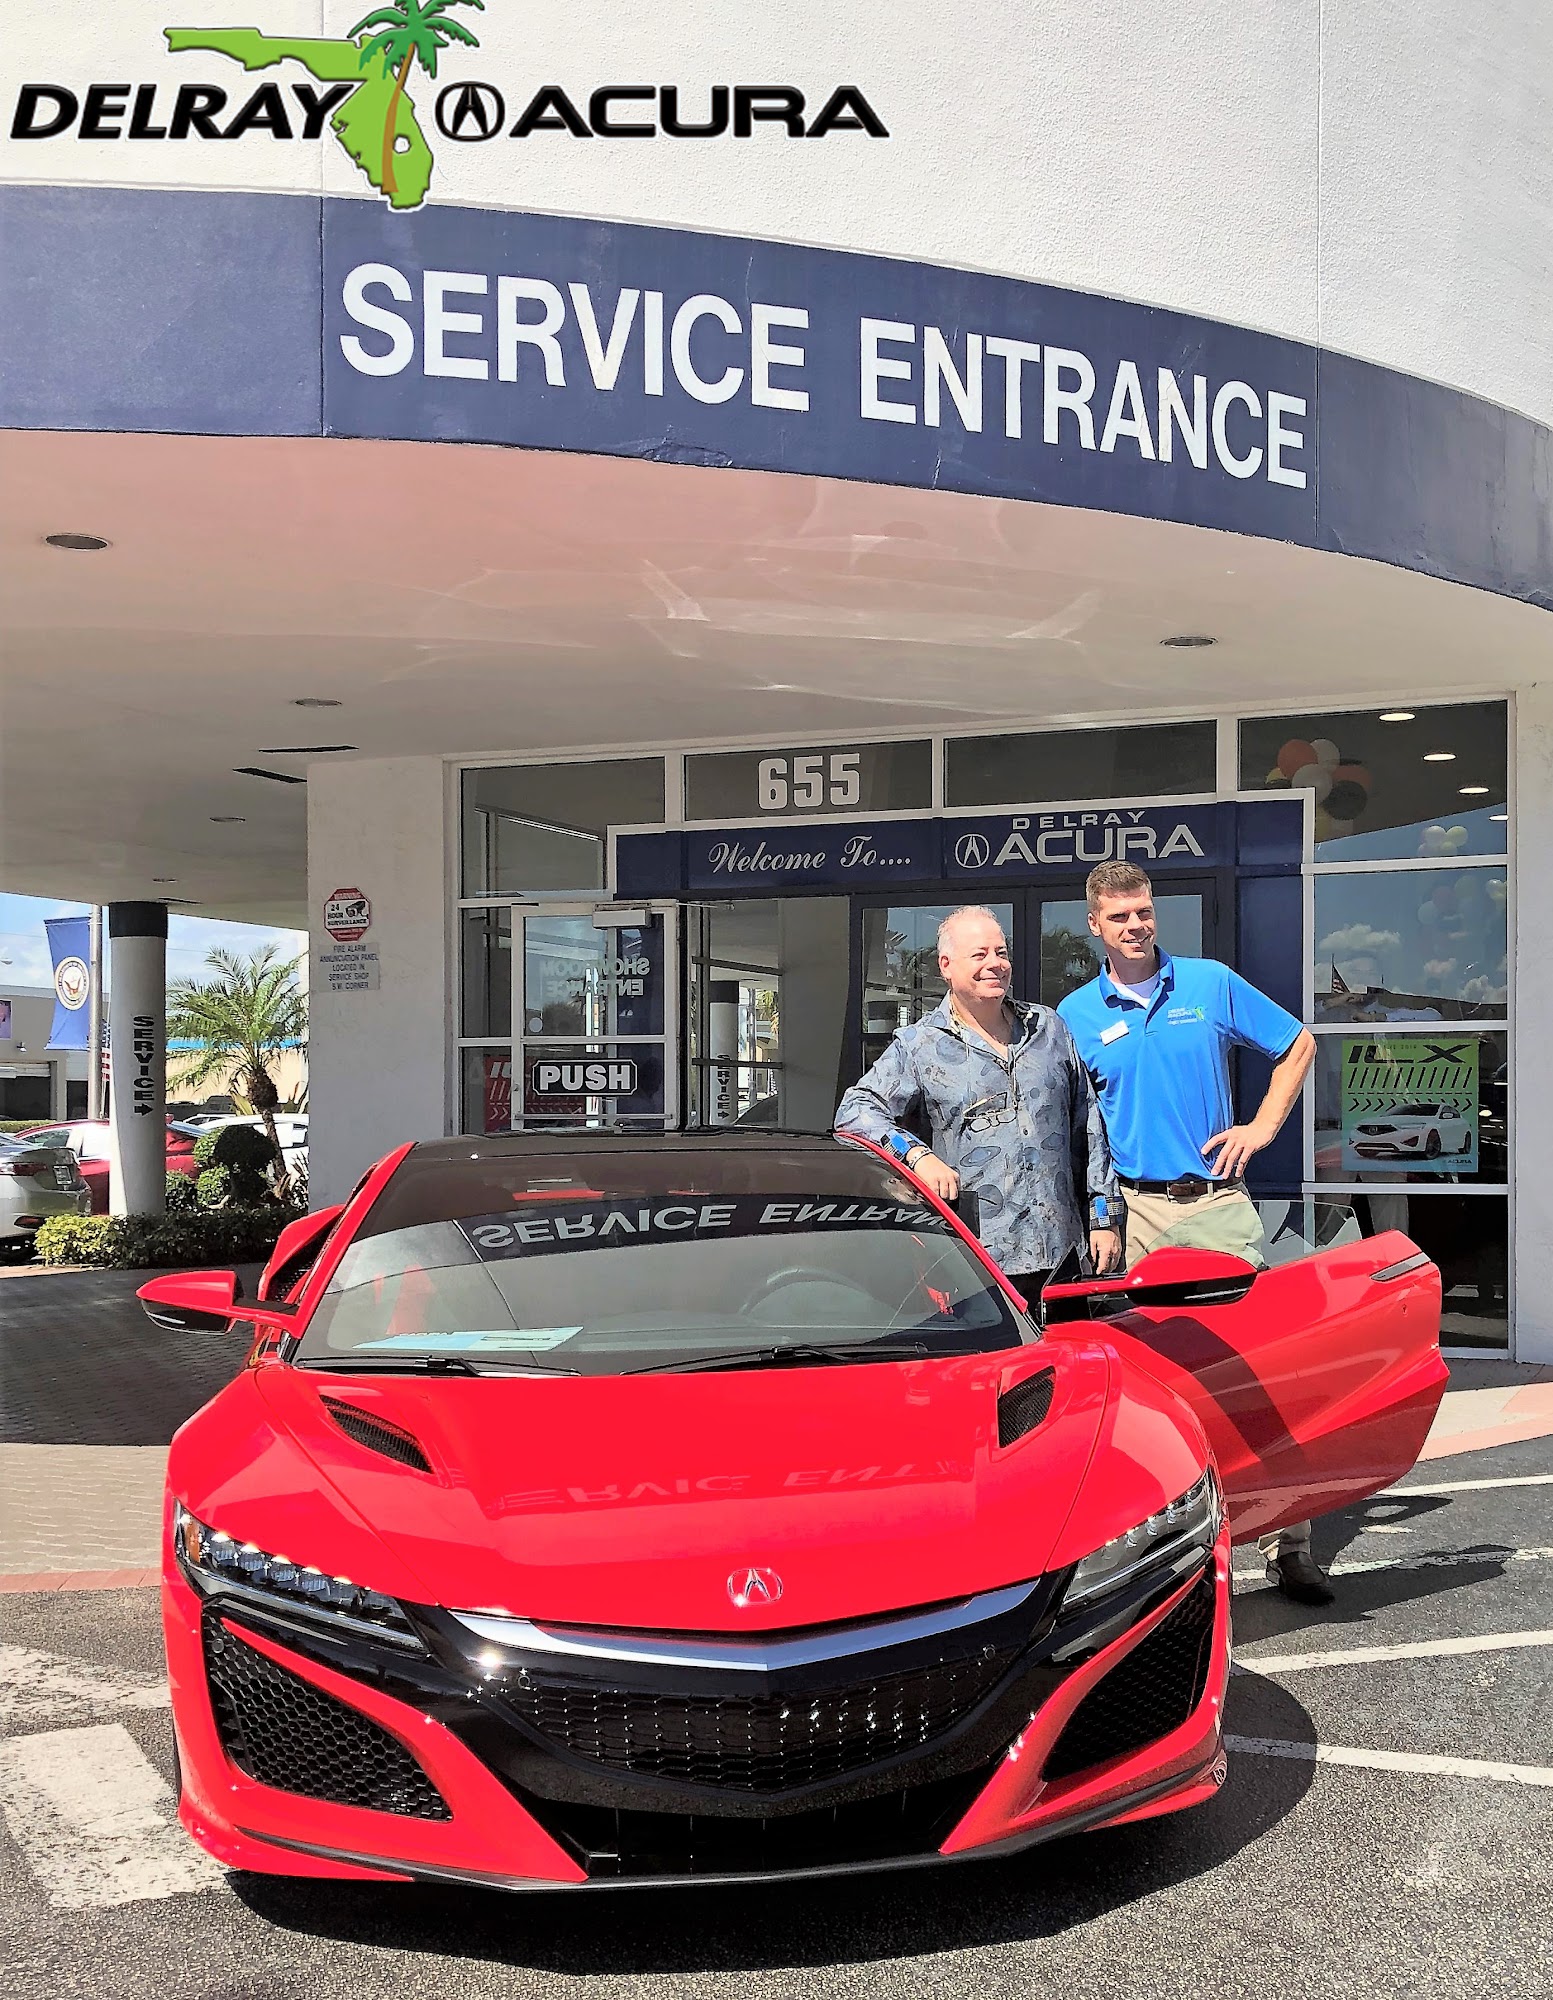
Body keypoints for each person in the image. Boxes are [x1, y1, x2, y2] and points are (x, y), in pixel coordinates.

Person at [1056, 861, 1332, 1607]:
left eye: (1143, 912)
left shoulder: (1209, 984)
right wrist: (1099, 1217)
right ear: (1094, 926)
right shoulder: (1075, 1016)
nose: (1135, 926)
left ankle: (1290, 1543)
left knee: (1257, 1377)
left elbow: (1297, 1044)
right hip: (1134, 1219)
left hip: (1215, 1207)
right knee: (1155, 1391)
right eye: (1119, 917)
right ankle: (1172, 1549)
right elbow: (1079, 1130)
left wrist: (1261, 1127)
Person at [834, 905, 1121, 1299]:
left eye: (1001, 952)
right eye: (979, 954)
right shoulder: (919, 1046)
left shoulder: (1049, 1029)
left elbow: (1087, 1125)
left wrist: (1104, 1217)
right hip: (975, 1264)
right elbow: (855, 1112)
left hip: (1063, 1255)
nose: (995, 964)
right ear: (946, 966)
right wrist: (917, 1156)